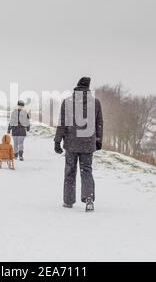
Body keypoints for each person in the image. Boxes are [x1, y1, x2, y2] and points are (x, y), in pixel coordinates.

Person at [54, 77, 103, 212]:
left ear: (77, 86)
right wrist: (98, 140)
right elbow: (99, 123)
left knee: (70, 171)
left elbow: (62, 123)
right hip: (88, 144)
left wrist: (57, 141)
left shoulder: (68, 102)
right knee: (86, 171)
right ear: (88, 88)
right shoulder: (96, 103)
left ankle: (68, 201)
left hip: (71, 143)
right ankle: (89, 200)